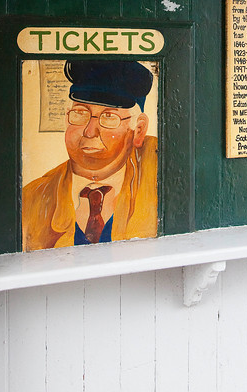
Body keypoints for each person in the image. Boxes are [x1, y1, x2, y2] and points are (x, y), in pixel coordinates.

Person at [22, 59, 157, 251]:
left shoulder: (162, 176)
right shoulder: (31, 200)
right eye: (80, 113)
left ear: (138, 130)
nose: (90, 131)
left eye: (109, 116)